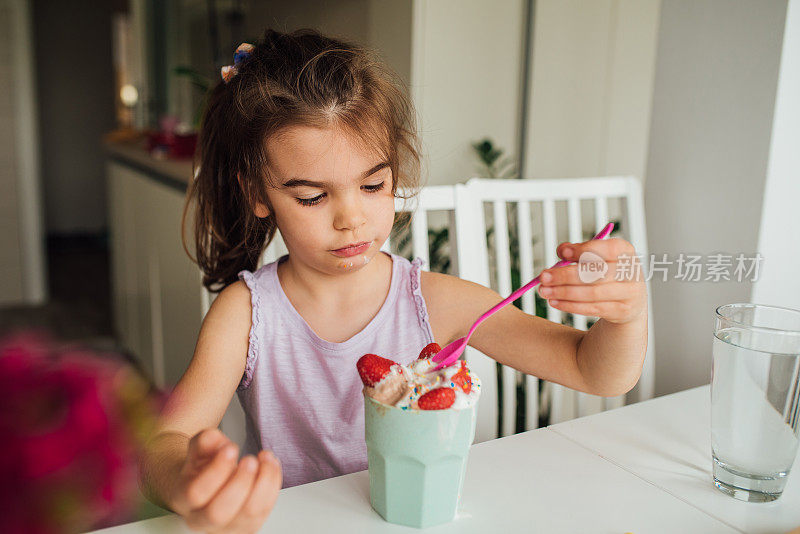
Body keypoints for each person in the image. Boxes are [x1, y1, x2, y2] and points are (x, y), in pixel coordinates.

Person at [139, 28, 648, 533]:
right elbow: (166, 440)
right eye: (313, 197)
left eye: (373, 185)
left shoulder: (437, 303)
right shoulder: (247, 315)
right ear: (258, 193)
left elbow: (594, 371)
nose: (351, 218)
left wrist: (626, 315)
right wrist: (188, 479)